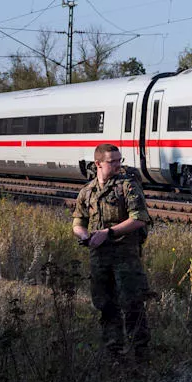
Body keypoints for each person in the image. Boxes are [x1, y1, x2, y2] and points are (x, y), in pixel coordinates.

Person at [71, 143, 150, 355]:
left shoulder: (128, 186)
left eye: (119, 160)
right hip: (99, 258)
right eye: (111, 161)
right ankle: (113, 350)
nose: (117, 165)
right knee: (106, 305)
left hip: (126, 257)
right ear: (98, 163)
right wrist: (85, 236)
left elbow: (140, 218)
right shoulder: (87, 192)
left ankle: (139, 352)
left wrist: (109, 233)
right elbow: (78, 222)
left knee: (133, 303)